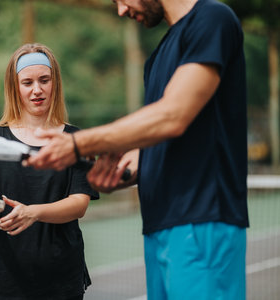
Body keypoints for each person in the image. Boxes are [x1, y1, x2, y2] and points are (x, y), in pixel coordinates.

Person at [25, 0, 249, 299]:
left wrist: (79, 143)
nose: (120, 10)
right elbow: (159, 145)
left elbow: (173, 115)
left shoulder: (211, 18)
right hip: (159, 228)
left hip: (203, 219)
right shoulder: (156, 59)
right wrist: (115, 172)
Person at [0, 43, 99, 300]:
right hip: (2, 279)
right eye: (27, 82)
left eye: (44, 80)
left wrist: (32, 213)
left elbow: (79, 204)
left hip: (61, 279)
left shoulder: (76, 139)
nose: (37, 90)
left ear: (54, 83)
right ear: (15, 87)